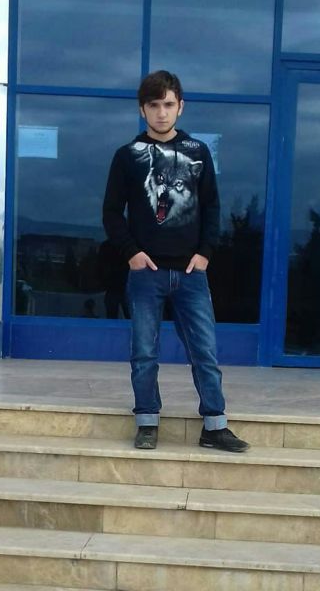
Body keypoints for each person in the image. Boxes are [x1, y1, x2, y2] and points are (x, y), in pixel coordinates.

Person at [102, 70, 249, 453]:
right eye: (154, 105)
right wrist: (131, 252)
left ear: (180, 107)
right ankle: (147, 421)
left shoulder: (198, 152)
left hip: (190, 273)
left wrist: (206, 253)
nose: (162, 112)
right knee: (144, 353)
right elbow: (112, 212)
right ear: (143, 109)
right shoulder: (128, 156)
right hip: (146, 274)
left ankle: (214, 426)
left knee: (205, 352)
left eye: (168, 104)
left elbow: (212, 206)